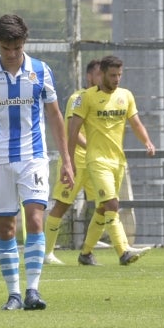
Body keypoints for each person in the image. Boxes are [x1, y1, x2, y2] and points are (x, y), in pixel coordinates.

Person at [0, 14, 74, 311]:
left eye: (17, 48)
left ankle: (32, 290)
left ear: (24, 43)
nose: (12, 54)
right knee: (6, 227)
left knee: (35, 219)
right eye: (6, 48)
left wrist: (66, 159)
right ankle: (13, 294)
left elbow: (55, 115)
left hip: (32, 156)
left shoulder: (40, 70)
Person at [67, 55, 155, 266]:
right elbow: (72, 131)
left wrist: (147, 142)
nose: (117, 79)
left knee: (102, 209)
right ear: (102, 75)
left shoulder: (126, 95)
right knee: (112, 204)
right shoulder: (86, 97)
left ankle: (85, 254)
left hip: (118, 161)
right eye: (112, 75)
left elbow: (135, 123)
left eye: (119, 75)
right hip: (97, 160)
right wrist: (69, 162)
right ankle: (123, 251)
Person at [43, 59, 103, 265]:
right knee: (62, 205)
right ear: (89, 76)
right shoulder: (78, 98)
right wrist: (93, 146)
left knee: (105, 206)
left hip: (96, 163)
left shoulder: (107, 99)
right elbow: (72, 132)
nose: (103, 78)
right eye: (99, 74)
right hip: (75, 160)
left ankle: (87, 252)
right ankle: (47, 253)